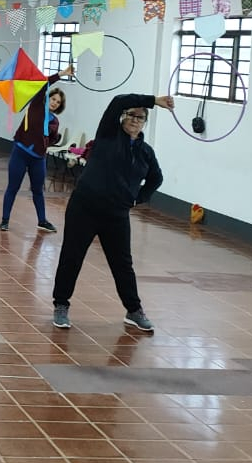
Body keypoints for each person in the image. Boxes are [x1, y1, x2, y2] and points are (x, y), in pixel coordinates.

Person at [51, 93, 173, 332]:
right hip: (84, 207)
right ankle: (61, 305)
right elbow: (118, 100)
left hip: (116, 214)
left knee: (122, 264)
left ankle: (133, 310)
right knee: (72, 257)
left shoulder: (145, 151)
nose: (135, 120)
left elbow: (156, 178)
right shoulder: (108, 134)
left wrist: (137, 198)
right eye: (131, 115)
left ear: (144, 123)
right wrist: (154, 100)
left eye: (141, 118)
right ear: (122, 117)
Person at [0, 66, 72, 232]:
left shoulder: (55, 121)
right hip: (20, 151)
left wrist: (48, 142)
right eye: (53, 99)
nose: (54, 103)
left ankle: (42, 220)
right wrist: (61, 74)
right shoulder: (37, 104)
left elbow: (52, 139)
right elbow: (45, 83)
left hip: (38, 158)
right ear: (48, 98)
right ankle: (5, 220)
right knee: (13, 187)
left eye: (58, 102)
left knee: (38, 190)